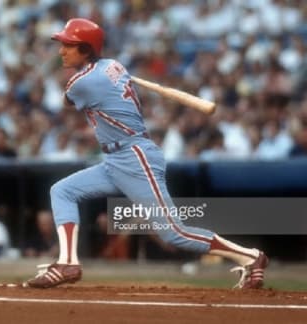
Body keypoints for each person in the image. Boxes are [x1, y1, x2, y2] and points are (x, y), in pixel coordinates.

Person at [24, 18, 268, 289]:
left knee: (174, 233)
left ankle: (251, 256)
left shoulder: (83, 81)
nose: (61, 50)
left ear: (86, 49)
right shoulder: (113, 66)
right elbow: (103, 77)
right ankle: (68, 262)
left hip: (135, 157)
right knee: (62, 191)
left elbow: (66, 101)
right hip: (116, 160)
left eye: (69, 45)